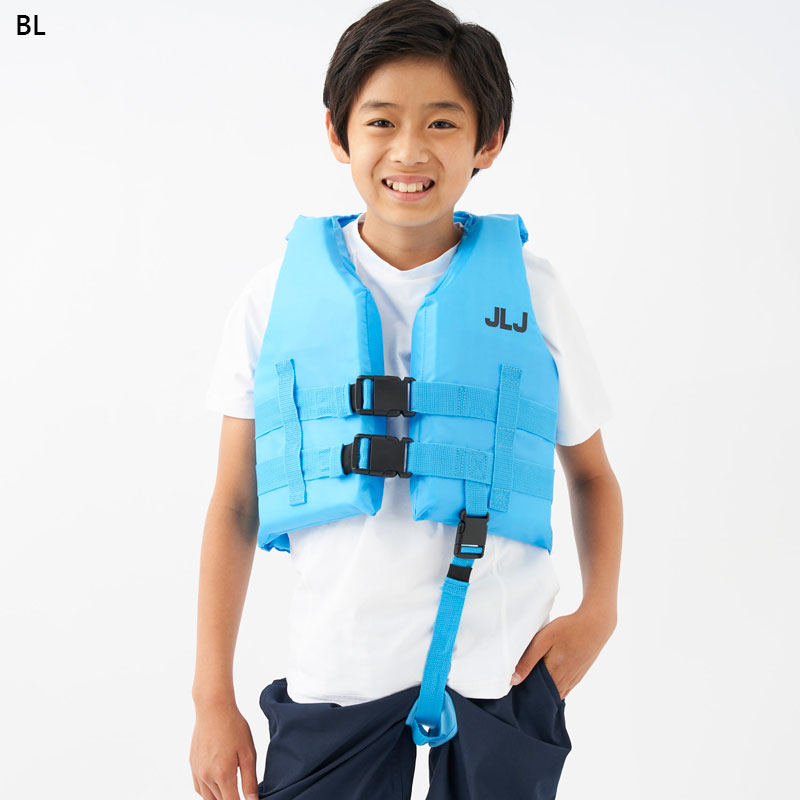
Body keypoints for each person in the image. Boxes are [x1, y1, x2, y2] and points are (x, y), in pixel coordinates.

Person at [190, 1, 623, 798]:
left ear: (489, 140)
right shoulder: (271, 299)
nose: (410, 150)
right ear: (338, 134)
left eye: (443, 123)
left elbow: (592, 474)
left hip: (501, 674)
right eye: (382, 121)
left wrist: (601, 612)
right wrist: (211, 698)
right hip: (337, 677)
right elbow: (234, 505)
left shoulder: (534, 292)